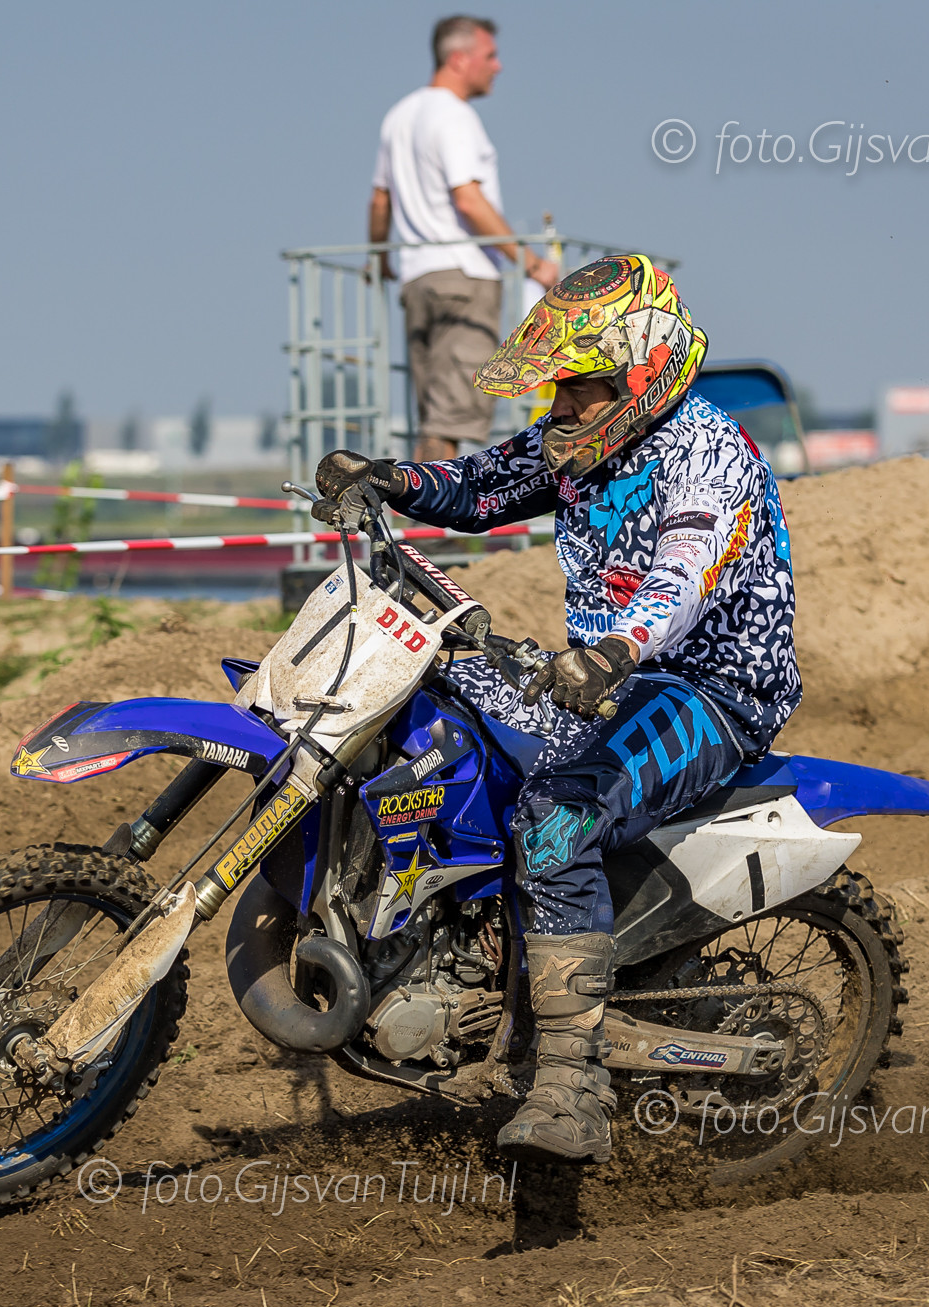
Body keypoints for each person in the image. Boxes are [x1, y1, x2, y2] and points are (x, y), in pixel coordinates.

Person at [312, 255, 800, 1164]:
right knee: (431, 708)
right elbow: (478, 488)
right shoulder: (574, 441)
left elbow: (683, 572)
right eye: (557, 385)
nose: (561, 404)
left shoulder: (707, 454)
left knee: (553, 818)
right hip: (600, 675)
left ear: (640, 374)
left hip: (706, 687)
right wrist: (386, 478)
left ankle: (571, 1083)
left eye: (580, 386)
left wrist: (615, 649)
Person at [370, 16, 560, 465]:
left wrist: (379, 259)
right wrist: (531, 263)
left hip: (418, 280)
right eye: (490, 56)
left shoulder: (399, 115)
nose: (498, 66)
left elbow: (380, 201)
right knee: (449, 421)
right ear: (459, 59)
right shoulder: (454, 115)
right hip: (464, 278)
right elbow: (469, 200)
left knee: (433, 417)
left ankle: (418, 504)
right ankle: (429, 512)